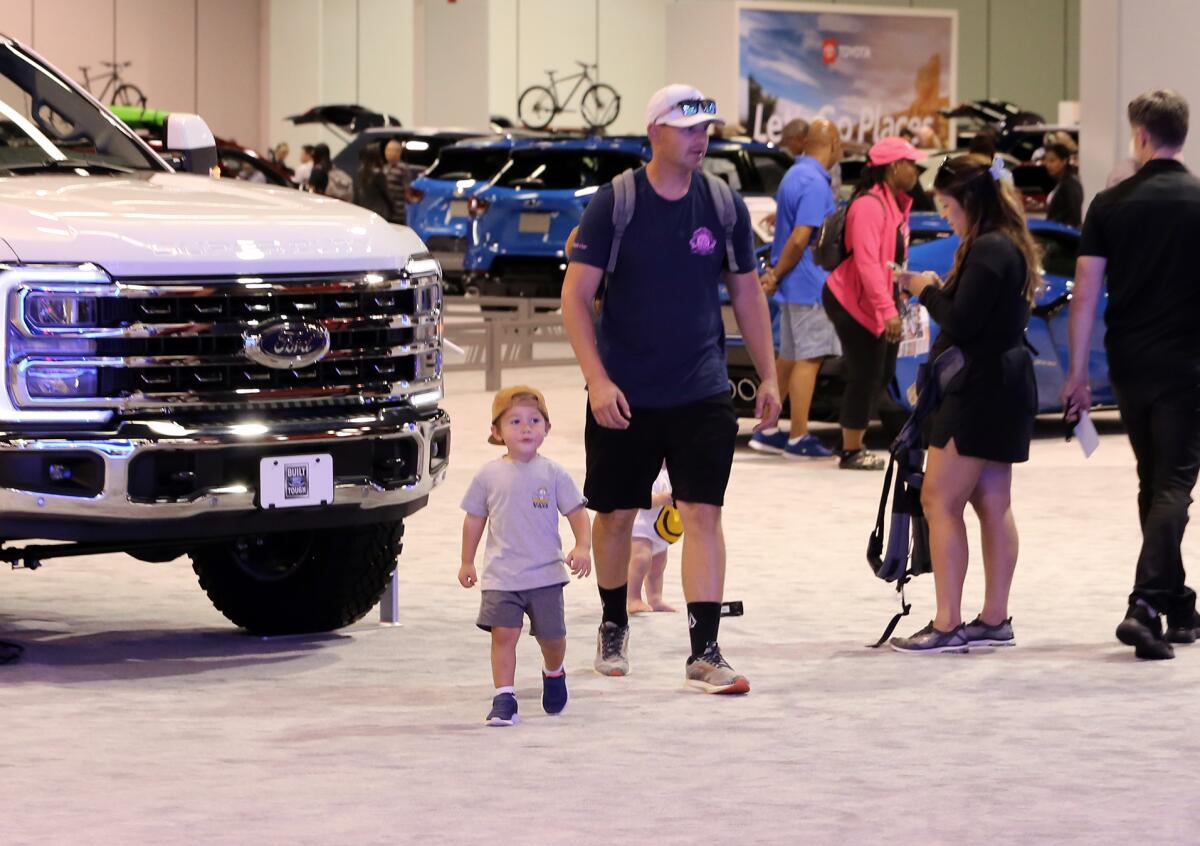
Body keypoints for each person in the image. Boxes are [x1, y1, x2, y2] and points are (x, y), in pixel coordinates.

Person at [562, 83, 780, 694]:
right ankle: (612, 623)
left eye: (705, 128)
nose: (700, 138)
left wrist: (768, 373)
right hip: (624, 392)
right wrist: (597, 380)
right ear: (654, 131)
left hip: (702, 388)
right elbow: (576, 300)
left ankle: (705, 649)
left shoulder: (722, 202)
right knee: (614, 516)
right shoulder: (617, 202)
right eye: (688, 128)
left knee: (703, 514)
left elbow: (747, 293)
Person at [1064, 89, 1200, 661]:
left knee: (1154, 481)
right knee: (1174, 483)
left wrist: (1076, 374)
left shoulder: (1110, 203)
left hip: (1130, 363)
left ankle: (1179, 601)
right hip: (1189, 364)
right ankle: (1145, 605)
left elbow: (1085, 295)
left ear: (1141, 136)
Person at [888, 154, 1042, 653]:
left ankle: (947, 622)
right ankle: (994, 619)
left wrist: (925, 290)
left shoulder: (988, 249)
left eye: (950, 207)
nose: (948, 217)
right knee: (992, 503)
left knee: (940, 498)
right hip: (1006, 381)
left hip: (978, 387)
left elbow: (964, 321)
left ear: (970, 202)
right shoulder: (1010, 244)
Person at [459, 386, 591, 725]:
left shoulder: (554, 473)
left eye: (535, 420)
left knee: (553, 637)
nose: (526, 428)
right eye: (514, 421)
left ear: (547, 429)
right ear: (496, 431)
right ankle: (504, 697)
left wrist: (582, 546)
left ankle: (554, 671)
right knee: (504, 635)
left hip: (546, 574)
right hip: (501, 575)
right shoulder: (488, 475)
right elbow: (475, 519)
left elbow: (577, 512)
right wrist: (467, 560)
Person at [821, 136, 921, 470]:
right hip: (851, 300)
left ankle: (847, 437)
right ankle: (851, 451)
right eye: (912, 164)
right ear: (894, 167)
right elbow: (866, 264)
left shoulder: (893, 203)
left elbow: (890, 262)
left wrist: (897, 298)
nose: (917, 170)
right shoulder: (868, 206)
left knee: (881, 371)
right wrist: (886, 309)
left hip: (874, 299)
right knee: (866, 373)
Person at [751, 118, 843, 458]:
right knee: (810, 357)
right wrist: (775, 272)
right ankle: (798, 436)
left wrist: (778, 274)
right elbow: (802, 236)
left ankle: (767, 428)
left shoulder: (793, 175)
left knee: (788, 357)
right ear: (832, 142)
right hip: (809, 284)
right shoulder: (817, 184)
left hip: (794, 285)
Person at [627, 464, 677, 614]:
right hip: (641, 526)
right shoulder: (645, 470)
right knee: (641, 561)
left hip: (661, 528)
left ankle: (655, 598)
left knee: (659, 565)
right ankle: (633, 599)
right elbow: (638, 498)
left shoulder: (671, 472)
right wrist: (660, 499)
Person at [1043, 142, 1083, 228]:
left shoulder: (1070, 184)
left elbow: (1074, 216)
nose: (1048, 165)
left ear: (1064, 161)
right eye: (1046, 161)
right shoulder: (1063, 182)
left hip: (1063, 236)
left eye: (1052, 161)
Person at [354, 145, 395, 219]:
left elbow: (356, 192)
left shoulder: (360, 171)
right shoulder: (378, 173)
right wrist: (392, 207)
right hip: (378, 210)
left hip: (364, 208)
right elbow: (385, 193)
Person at [383, 139, 409, 224]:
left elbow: (407, 189)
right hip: (385, 212)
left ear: (399, 153)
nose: (389, 153)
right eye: (387, 150)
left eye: (392, 150)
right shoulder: (385, 168)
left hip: (398, 213)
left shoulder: (403, 168)